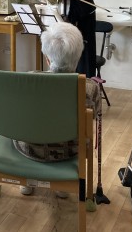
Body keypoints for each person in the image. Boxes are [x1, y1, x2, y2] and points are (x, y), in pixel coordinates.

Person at [14, 22, 101, 197]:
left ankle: (27, 180)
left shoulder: (28, 81)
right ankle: (62, 184)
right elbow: (94, 117)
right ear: (79, 56)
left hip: (31, 148)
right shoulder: (90, 88)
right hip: (71, 150)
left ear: (47, 57)